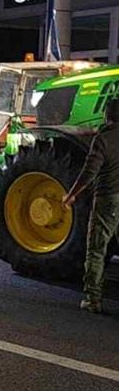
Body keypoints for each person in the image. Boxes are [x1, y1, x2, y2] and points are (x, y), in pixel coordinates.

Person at [62, 98, 119, 313]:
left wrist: (71, 195)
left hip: (108, 199)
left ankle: (92, 298)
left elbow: (89, 172)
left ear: (106, 115)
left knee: (96, 250)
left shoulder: (103, 140)